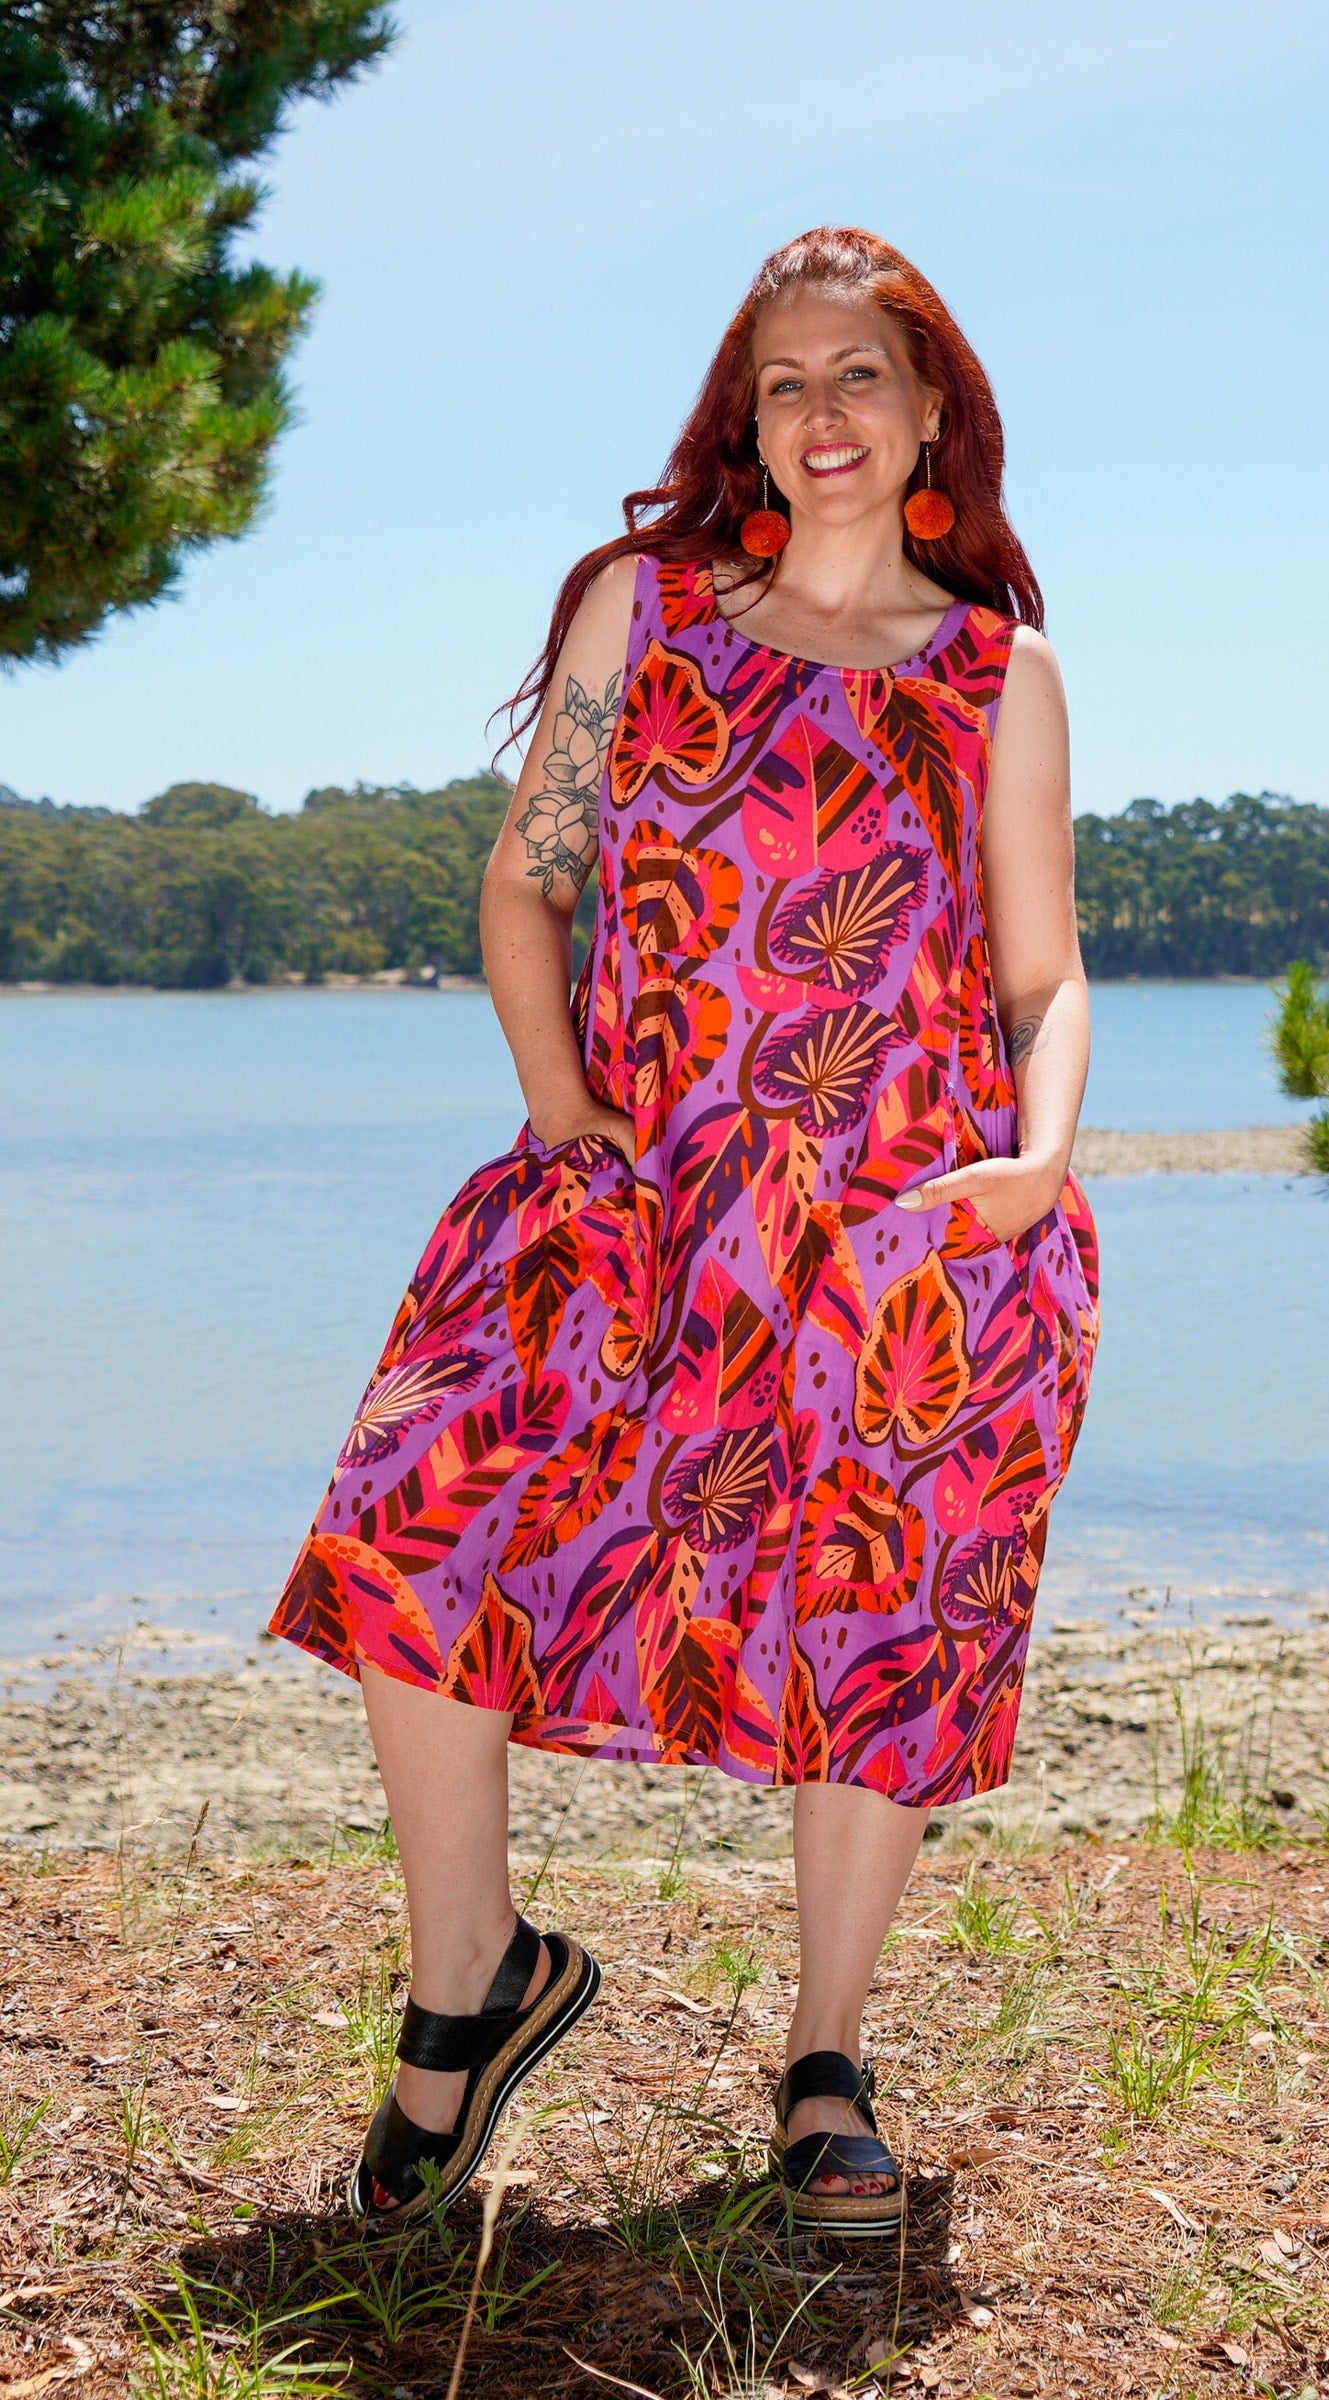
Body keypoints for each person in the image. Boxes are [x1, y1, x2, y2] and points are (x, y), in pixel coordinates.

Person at [268, 225, 1098, 2241]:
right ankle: (472, 1976)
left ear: (931, 412)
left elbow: (1041, 976)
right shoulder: (641, 616)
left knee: (873, 1626)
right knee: (415, 1527)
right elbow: (526, 884)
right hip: (624, 1196)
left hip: (903, 1232)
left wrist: (1039, 1162)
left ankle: (825, 2065)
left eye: (858, 375)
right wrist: (565, 1119)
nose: (821, 413)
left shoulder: (996, 674)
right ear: (747, 421)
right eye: (781, 383)